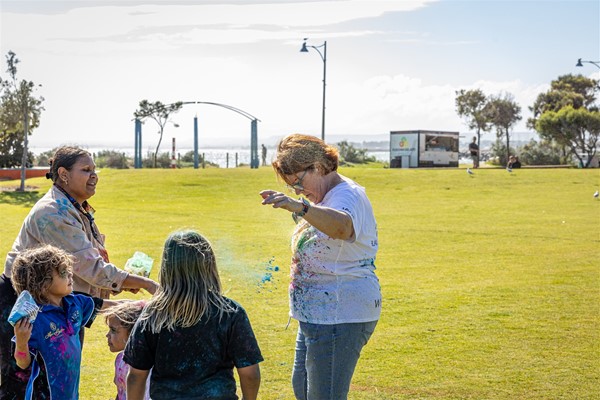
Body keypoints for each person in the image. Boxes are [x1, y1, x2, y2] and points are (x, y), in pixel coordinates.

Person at [0, 146, 158, 399]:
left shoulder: (75, 207)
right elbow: (89, 266)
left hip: (57, 301)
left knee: (64, 375)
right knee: (22, 382)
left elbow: (89, 268)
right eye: (86, 170)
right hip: (26, 303)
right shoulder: (52, 212)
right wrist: (148, 285)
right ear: (63, 174)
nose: (94, 176)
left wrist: (122, 285)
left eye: (94, 170)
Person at [259, 133, 381, 400]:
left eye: (299, 183)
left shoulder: (348, 195)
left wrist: (300, 207)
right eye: (293, 188)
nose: (299, 191)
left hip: (340, 314)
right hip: (317, 315)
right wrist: (300, 208)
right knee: (303, 389)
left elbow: (342, 226)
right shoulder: (322, 199)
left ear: (318, 166)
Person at [124, 230, 263, 400]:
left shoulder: (153, 315)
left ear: (167, 267)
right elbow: (250, 373)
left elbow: (136, 376)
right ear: (209, 264)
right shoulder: (230, 313)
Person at [11, 245, 122, 399]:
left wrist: (143, 305)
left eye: (68, 270)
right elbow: (22, 364)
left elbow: (107, 306)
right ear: (42, 284)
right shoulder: (35, 319)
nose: (70, 275)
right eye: (63, 272)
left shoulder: (74, 303)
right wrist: (21, 342)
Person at [103, 301, 150, 400]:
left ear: (133, 333)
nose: (107, 335)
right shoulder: (120, 359)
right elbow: (120, 391)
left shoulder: (147, 367)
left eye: (113, 330)